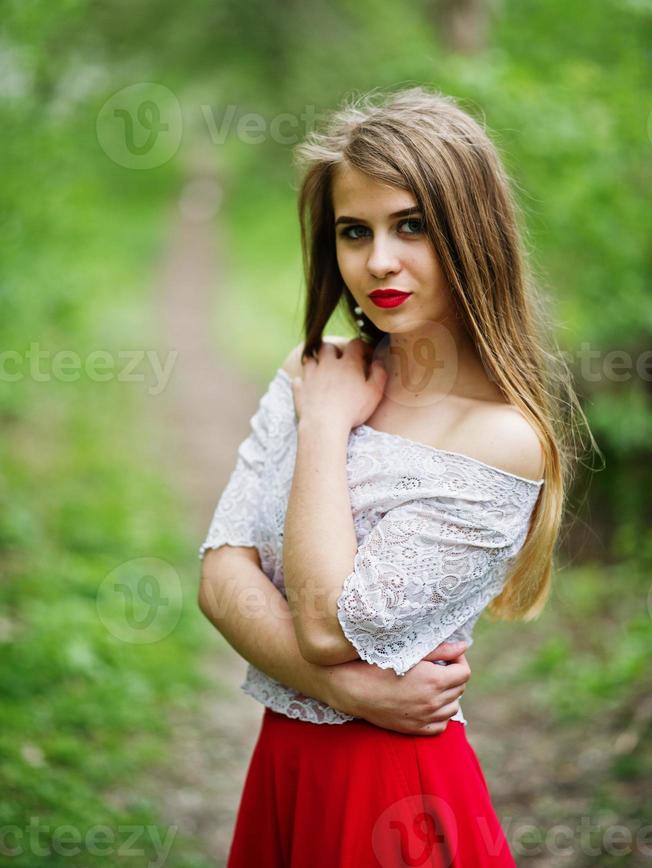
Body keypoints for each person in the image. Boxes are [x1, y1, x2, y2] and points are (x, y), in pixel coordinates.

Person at [198, 86, 592, 867]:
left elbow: (325, 624)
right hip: (284, 768)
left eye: (411, 225)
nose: (379, 260)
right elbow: (219, 574)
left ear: (471, 233)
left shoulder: (501, 439)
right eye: (355, 231)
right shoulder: (316, 371)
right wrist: (349, 691)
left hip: (390, 795)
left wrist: (324, 429)